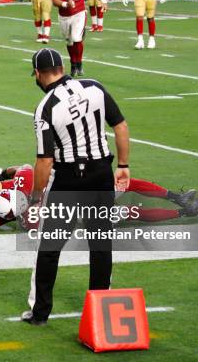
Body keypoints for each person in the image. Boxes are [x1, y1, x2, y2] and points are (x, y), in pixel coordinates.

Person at [20, 47, 130, 326]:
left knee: (49, 246)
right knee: (101, 245)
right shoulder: (94, 86)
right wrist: (124, 165)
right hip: (102, 173)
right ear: (62, 67)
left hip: (69, 178)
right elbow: (120, 126)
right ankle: (102, 309)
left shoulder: (46, 106)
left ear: (37, 73)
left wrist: (36, 199)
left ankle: (40, 312)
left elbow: (44, 161)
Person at [52, 0, 107, 76]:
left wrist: (102, 0)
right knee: (69, 41)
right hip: (64, 15)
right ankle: (73, 62)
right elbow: (55, 0)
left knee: (77, 38)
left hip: (79, 12)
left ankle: (79, 63)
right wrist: (66, 3)